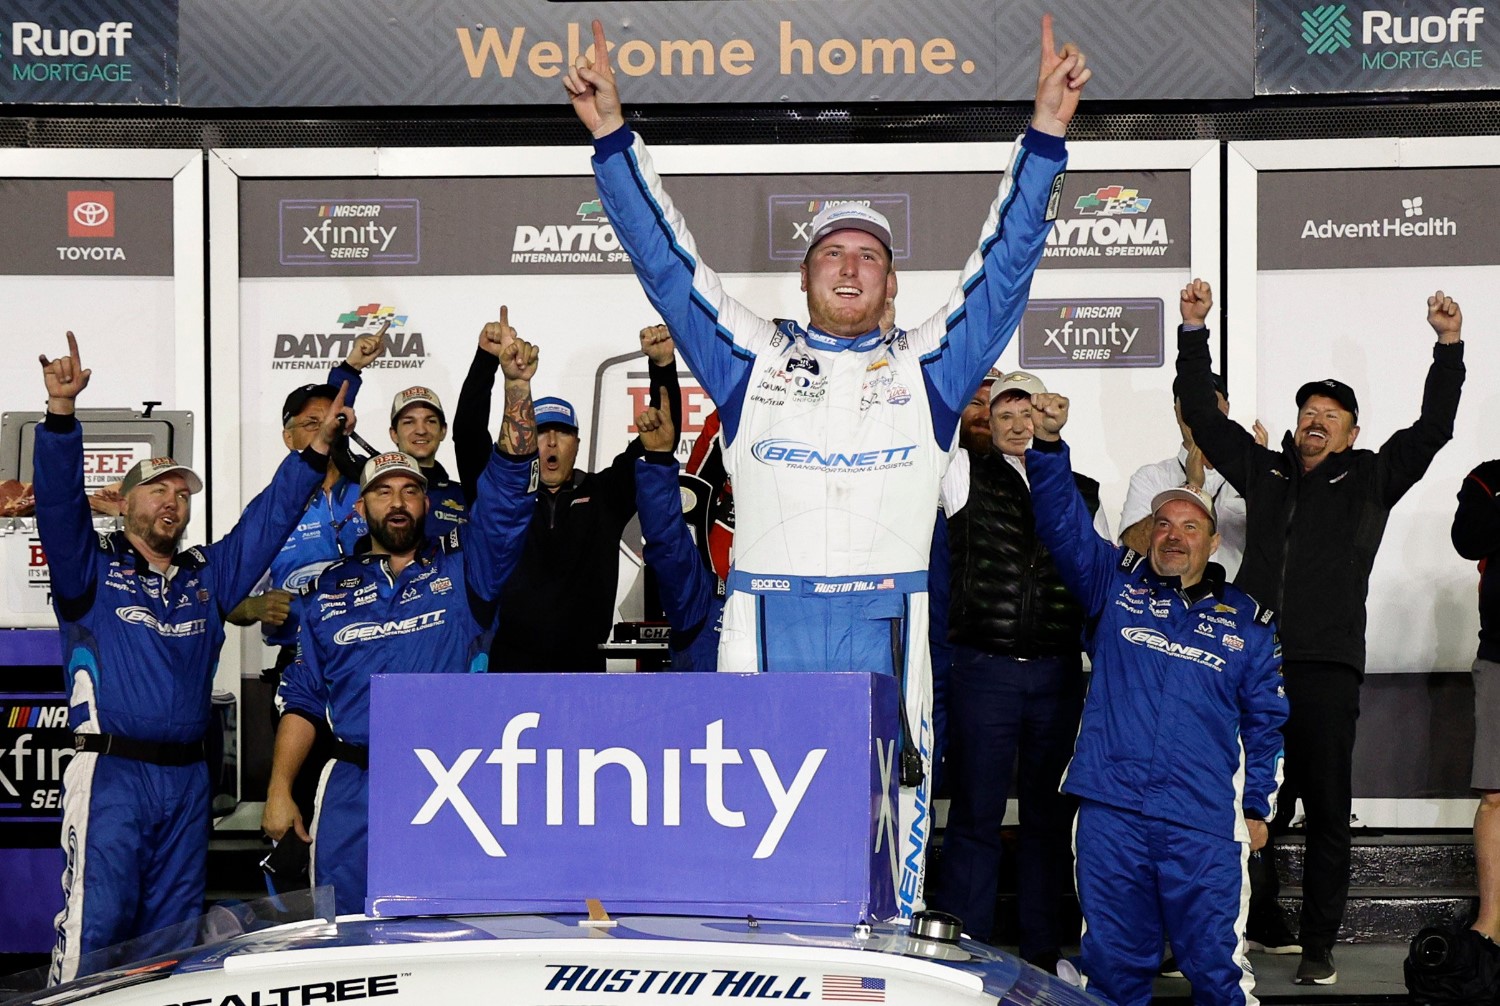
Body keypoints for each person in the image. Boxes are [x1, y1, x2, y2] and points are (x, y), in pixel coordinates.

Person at [565, 15, 1088, 911]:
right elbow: (666, 264)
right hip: (766, 620)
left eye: (870, 259)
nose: (851, 269)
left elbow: (1003, 275)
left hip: (886, 617)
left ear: (893, 286)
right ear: (806, 278)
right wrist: (614, 137)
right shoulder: (752, 355)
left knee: (889, 835)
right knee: (751, 828)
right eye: (833, 255)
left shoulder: (929, 365)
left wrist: (1044, 137)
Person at [1175, 279, 1466, 984]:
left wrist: (1448, 348)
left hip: (1327, 668)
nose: (1315, 419)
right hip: (1253, 664)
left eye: (1331, 414)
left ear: (1352, 433)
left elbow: (1433, 429)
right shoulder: (1266, 471)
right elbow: (1203, 422)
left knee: (1328, 810)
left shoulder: (1372, 477)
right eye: (1309, 409)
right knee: (1239, 805)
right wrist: (1193, 333)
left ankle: (1318, 949)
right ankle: (1233, 932)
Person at [34, 332, 348, 983]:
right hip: (113, 775)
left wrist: (318, 448)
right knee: (97, 932)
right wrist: (61, 417)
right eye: (157, 490)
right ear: (123, 504)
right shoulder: (87, 573)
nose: (172, 500)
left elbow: (269, 519)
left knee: (167, 946)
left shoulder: (208, 577)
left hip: (187, 784)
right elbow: (60, 508)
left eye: (182, 493)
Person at [262, 325, 542, 916]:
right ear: (361, 508)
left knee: (450, 933)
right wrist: (281, 789)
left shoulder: (469, 576)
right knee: (341, 939)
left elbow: (510, 494)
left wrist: (517, 388)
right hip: (350, 788)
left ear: (427, 501)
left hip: (449, 781)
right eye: (382, 491)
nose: (396, 502)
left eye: (408, 491)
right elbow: (305, 701)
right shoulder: (327, 592)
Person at [1026, 390, 1286, 1006]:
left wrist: (1256, 809)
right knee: (1113, 972)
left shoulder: (1249, 622)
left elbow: (1266, 721)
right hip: (1112, 809)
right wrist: (1048, 448)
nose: (1173, 536)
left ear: (1212, 541)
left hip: (1203, 821)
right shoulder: (1112, 584)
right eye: (1163, 523)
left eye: (1189, 526)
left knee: (1219, 977)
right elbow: (1062, 524)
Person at [932, 370, 1102, 970]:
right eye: (1001, 414)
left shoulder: (1084, 492)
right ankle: (966, 950)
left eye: (1024, 412)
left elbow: (1097, 578)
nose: (1013, 424)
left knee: (1046, 821)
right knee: (975, 814)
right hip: (985, 673)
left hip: (1057, 675)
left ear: (1044, 418)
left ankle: (1042, 953)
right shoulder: (961, 476)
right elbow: (936, 420)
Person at [454, 313, 682, 672]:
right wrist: (486, 361)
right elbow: (467, 436)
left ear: (577, 443)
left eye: (561, 433)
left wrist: (663, 366)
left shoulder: (605, 494)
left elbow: (660, 438)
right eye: (541, 432)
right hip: (507, 666)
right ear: (527, 437)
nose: (550, 442)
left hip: (584, 667)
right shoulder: (503, 497)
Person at [226, 382, 368, 822]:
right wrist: (254, 607)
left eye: (333, 420)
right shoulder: (269, 511)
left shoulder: (373, 490)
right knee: (299, 808)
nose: (327, 427)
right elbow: (221, 595)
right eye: (312, 422)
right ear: (288, 438)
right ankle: (302, 888)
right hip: (301, 676)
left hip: (371, 667)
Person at [1118, 346, 1261, 580]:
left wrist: (1264, 483)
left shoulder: (1254, 475)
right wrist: (1190, 487)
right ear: (1176, 410)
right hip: (1167, 609)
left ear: (1226, 409)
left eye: (1207, 403)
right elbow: (1132, 549)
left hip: (1236, 610)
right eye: (1189, 403)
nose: (1198, 414)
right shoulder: (1151, 477)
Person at [329, 332, 469, 528]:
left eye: (430, 421)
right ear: (393, 433)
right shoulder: (366, 477)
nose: (421, 430)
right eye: (409, 422)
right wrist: (351, 368)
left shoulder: (464, 495)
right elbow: (330, 429)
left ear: (443, 431)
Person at [633, 396, 722, 671]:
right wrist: (659, 460)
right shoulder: (700, 597)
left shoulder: (796, 594)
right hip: (701, 712)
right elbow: (666, 540)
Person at [1452, 458, 1500, 939]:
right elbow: (1469, 542)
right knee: (1496, 796)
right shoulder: (1489, 477)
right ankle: (1491, 924)